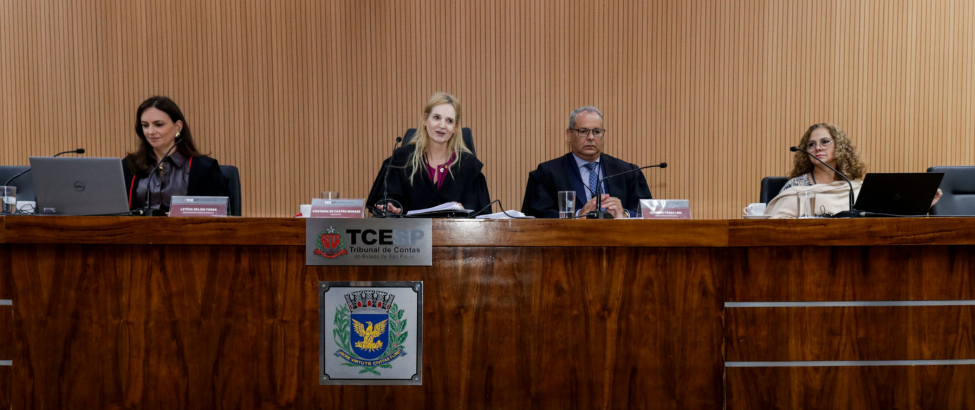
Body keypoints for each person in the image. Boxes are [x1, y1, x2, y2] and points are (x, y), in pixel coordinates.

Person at [766, 123, 942, 218]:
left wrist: (923, 204)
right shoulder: (795, 187)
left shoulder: (855, 187)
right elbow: (776, 226)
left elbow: (884, 217)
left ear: (839, 147)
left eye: (825, 142)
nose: (818, 147)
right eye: (811, 145)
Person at [368, 92, 490, 215]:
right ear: (425, 120)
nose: (442, 125)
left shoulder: (469, 166)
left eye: (449, 121)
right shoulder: (400, 161)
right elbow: (385, 200)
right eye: (436, 117)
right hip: (410, 228)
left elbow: (482, 216)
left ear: (455, 128)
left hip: (455, 228)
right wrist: (390, 207)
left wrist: (464, 213)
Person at [521, 106, 652, 218]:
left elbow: (649, 214)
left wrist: (624, 214)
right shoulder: (547, 173)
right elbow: (535, 215)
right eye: (583, 131)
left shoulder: (627, 172)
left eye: (597, 132)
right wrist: (578, 215)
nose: (591, 137)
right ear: (569, 134)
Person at [123, 96, 230, 214]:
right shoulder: (129, 166)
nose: (150, 132)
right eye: (145, 125)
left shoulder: (203, 168)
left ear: (178, 126)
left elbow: (217, 215)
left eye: (159, 124)